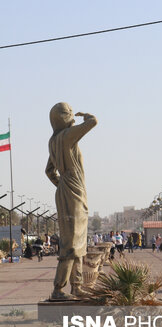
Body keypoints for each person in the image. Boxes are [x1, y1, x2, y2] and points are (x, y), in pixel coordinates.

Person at [45, 103, 97, 299]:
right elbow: (93, 122)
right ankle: (58, 289)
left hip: (67, 188)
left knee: (78, 242)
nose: (73, 117)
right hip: (73, 189)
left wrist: (61, 184)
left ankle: (77, 287)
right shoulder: (67, 136)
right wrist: (86, 115)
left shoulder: (53, 141)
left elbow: (49, 171)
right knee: (71, 243)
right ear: (64, 117)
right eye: (70, 114)